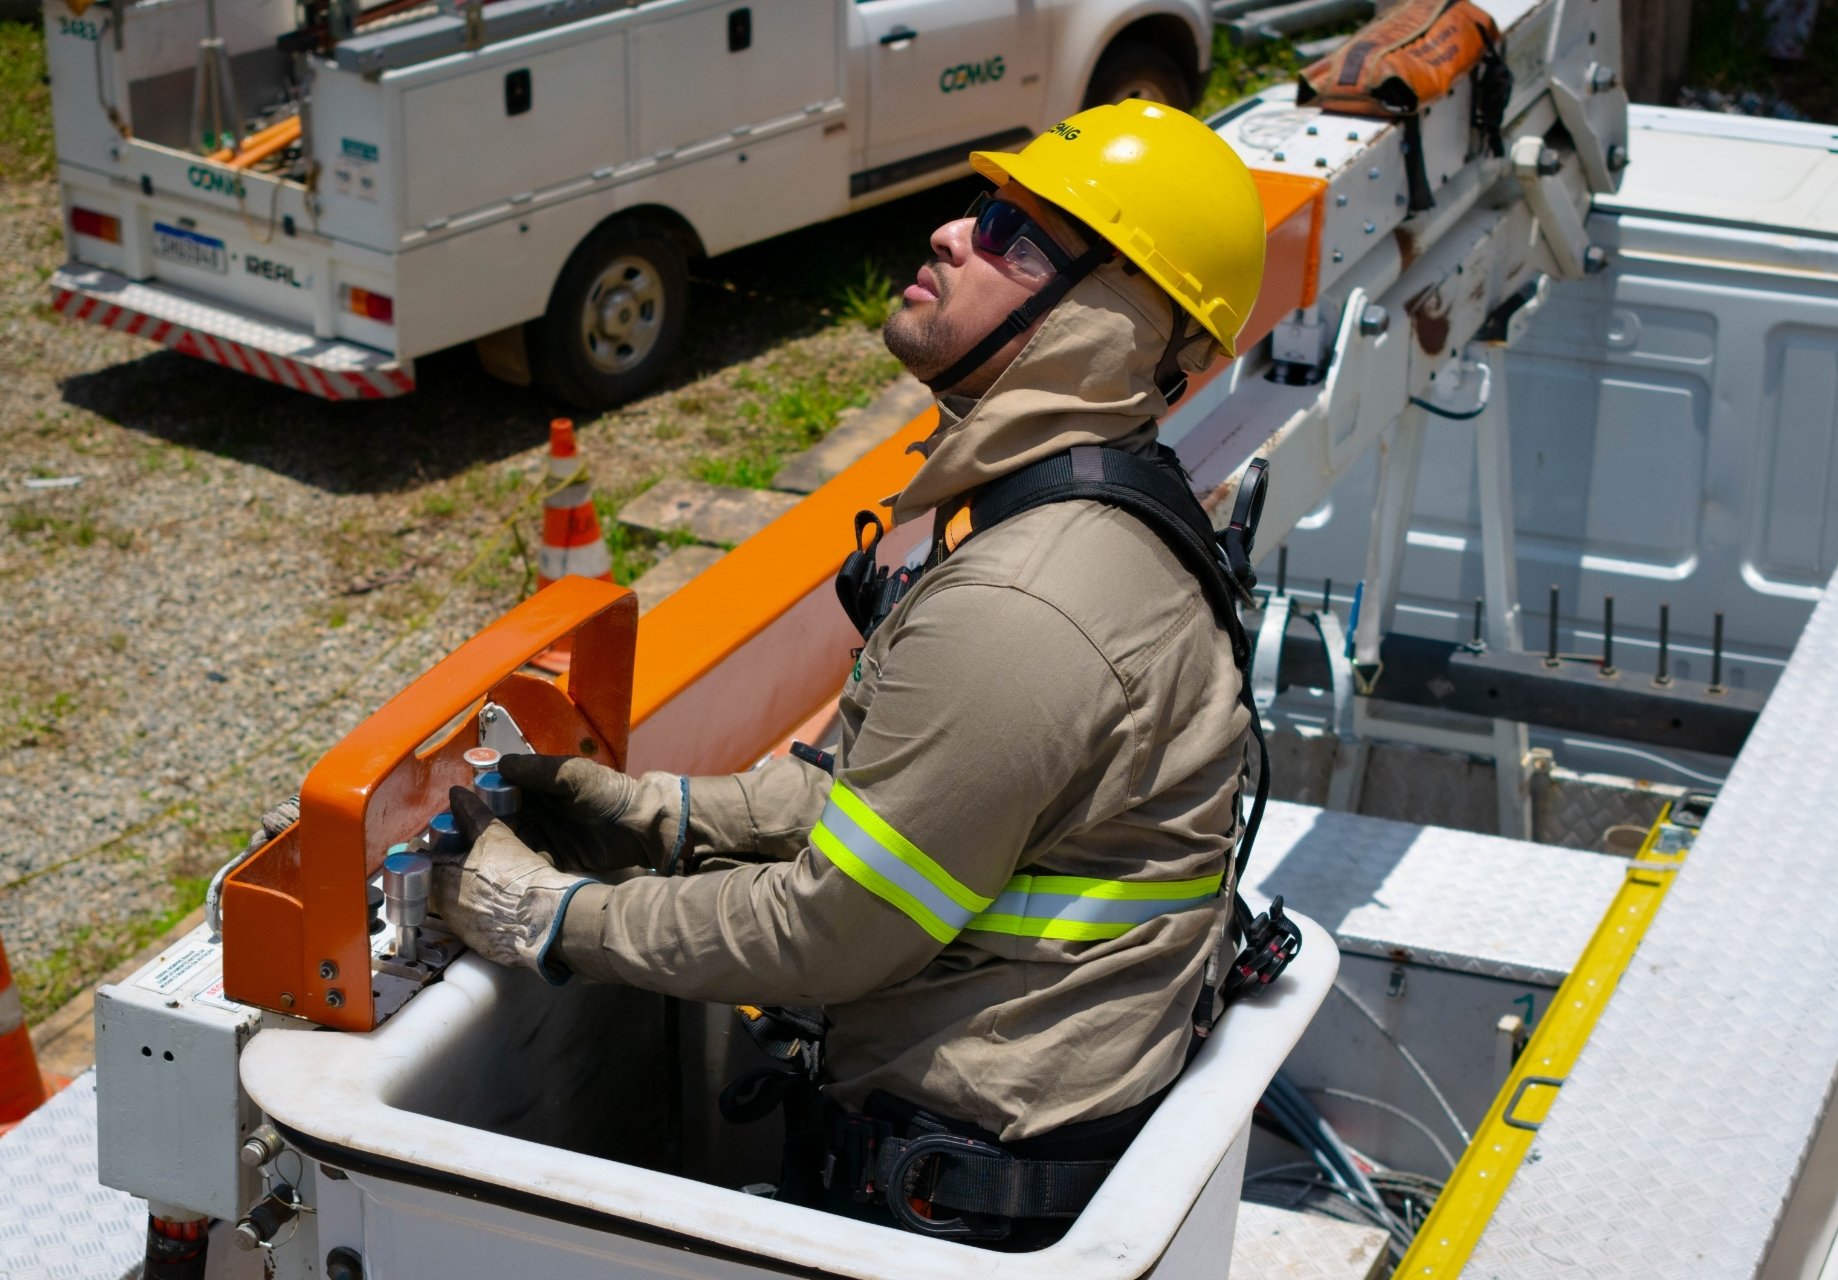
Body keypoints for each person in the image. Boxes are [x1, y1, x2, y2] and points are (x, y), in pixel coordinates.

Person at [428, 99, 1270, 1241]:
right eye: (979, 207)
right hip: (987, 1165)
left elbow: (834, 929)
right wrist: (665, 813)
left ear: (1105, 323)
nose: (950, 235)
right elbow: (904, 806)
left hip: (957, 1220)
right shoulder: (1081, 518)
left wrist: (552, 916)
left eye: (1010, 234)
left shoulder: (1027, 604)